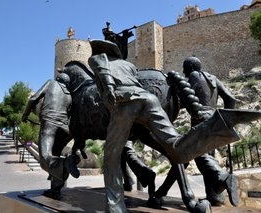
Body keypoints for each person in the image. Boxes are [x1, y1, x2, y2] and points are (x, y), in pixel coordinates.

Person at [87, 39, 247, 212]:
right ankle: (219, 127)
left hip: (125, 102)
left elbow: (103, 72)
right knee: (175, 145)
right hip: (150, 100)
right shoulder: (127, 65)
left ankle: (116, 207)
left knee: (111, 155)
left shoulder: (98, 58)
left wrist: (109, 88)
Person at [155, 56, 238, 206]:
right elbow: (230, 99)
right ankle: (215, 197)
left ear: (191, 67)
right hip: (214, 120)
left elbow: (185, 97)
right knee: (202, 158)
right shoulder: (213, 78)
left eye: (184, 67)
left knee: (185, 155)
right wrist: (226, 120)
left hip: (200, 122)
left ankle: (224, 177)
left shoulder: (194, 76)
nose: (183, 70)